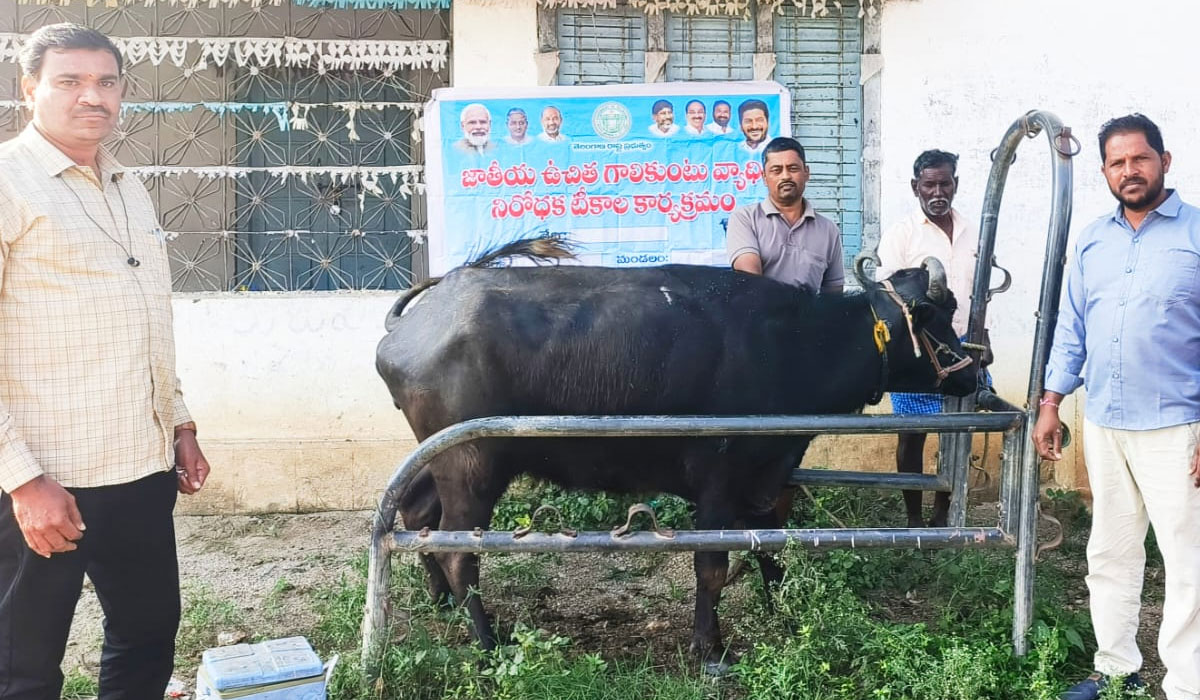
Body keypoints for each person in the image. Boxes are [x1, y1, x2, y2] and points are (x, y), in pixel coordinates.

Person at [0, 23, 211, 700]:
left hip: (140, 468)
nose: (92, 96)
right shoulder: (7, 183)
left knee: (147, 635)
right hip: (46, 478)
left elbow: (147, 319)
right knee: (23, 665)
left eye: (106, 81)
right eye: (70, 81)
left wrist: (179, 422)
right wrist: (23, 481)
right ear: (29, 89)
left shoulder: (127, 185)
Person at [1033, 114, 1200, 700]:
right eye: (1117, 162)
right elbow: (1072, 327)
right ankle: (1116, 670)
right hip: (1105, 422)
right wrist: (1052, 401)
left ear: (1164, 161)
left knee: (1188, 561)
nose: (1129, 171)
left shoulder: (1195, 234)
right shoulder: (1093, 240)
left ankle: (1187, 685)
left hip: (1178, 425)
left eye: (1140, 158)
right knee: (1110, 550)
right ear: (1104, 171)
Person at [876, 149, 985, 527]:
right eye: (929, 185)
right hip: (918, 350)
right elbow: (887, 296)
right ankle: (913, 519)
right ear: (915, 187)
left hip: (964, 344)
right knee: (911, 434)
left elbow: (981, 289)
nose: (938, 192)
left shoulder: (974, 231)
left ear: (956, 184)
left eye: (945, 183)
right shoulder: (901, 235)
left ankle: (943, 513)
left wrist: (984, 337)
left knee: (957, 432)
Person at [726, 136, 844, 292]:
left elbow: (833, 294)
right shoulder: (745, 219)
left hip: (810, 309)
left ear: (806, 173)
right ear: (764, 177)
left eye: (793, 168)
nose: (786, 176)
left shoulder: (828, 230)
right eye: (776, 170)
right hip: (763, 308)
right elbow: (751, 283)